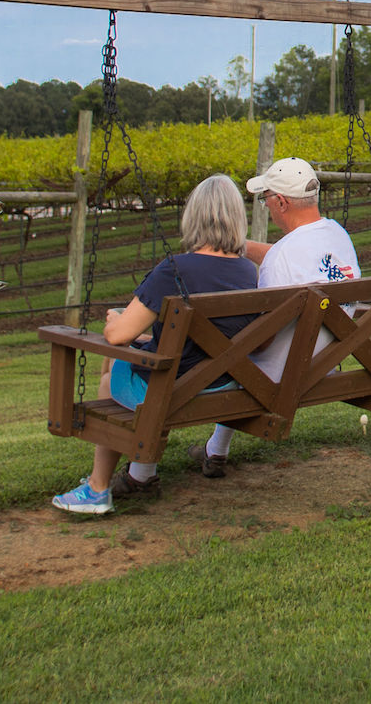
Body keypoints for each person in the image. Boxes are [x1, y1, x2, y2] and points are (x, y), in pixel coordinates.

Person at [51, 173, 258, 515]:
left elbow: (119, 336)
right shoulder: (248, 272)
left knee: (110, 374)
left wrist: (117, 321)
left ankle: (98, 488)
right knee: (131, 356)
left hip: (173, 391)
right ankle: (141, 472)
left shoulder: (175, 269)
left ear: (192, 218)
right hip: (221, 386)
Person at [189, 156, 361, 478]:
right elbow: (294, 260)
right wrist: (239, 247)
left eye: (267, 199)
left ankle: (152, 466)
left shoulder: (282, 259)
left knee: (233, 349)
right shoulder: (336, 234)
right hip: (325, 357)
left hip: (279, 374)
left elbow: (263, 338)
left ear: (281, 202)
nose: (266, 206)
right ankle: (216, 450)